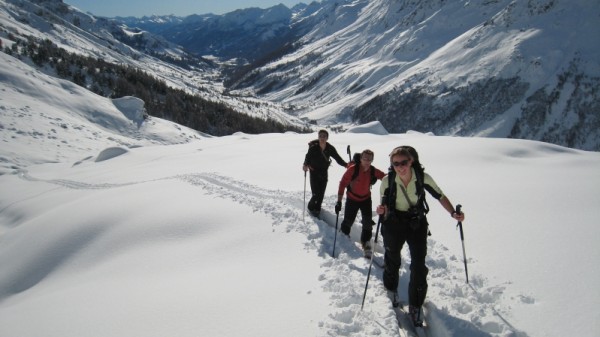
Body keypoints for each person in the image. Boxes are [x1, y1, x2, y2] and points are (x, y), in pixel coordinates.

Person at [376, 146, 465, 327]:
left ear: (411, 162)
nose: (400, 167)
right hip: (394, 222)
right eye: (396, 164)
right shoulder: (387, 181)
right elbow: (383, 204)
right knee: (392, 256)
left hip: (416, 223)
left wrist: (452, 214)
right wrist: (381, 211)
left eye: (404, 162)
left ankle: (415, 304)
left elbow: (439, 195)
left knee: (418, 264)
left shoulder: (422, 177)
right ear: (392, 165)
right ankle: (391, 288)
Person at [335, 149, 386, 256]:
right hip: (352, 199)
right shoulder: (352, 169)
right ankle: (344, 236)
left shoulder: (372, 170)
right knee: (348, 220)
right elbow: (343, 183)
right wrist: (339, 201)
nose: (367, 161)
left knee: (367, 223)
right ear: (360, 159)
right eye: (365, 158)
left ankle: (366, 242)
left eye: (369, 159)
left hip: (366, 199)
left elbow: (384, 177)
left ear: (372, 160)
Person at [302, 129, 347, 217]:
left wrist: (345, 165)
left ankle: (317, 209)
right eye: (320, 136)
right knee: (315, 194)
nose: (322, 138)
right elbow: (308, 156)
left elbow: (337, 158)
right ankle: (311, 208)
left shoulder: (330, 148)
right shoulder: (313, 147)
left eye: (324, 136)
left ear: (327, 138)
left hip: (323, 172)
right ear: (318, 137)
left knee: (321, 193)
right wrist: (305, 164)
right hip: (314, 172)